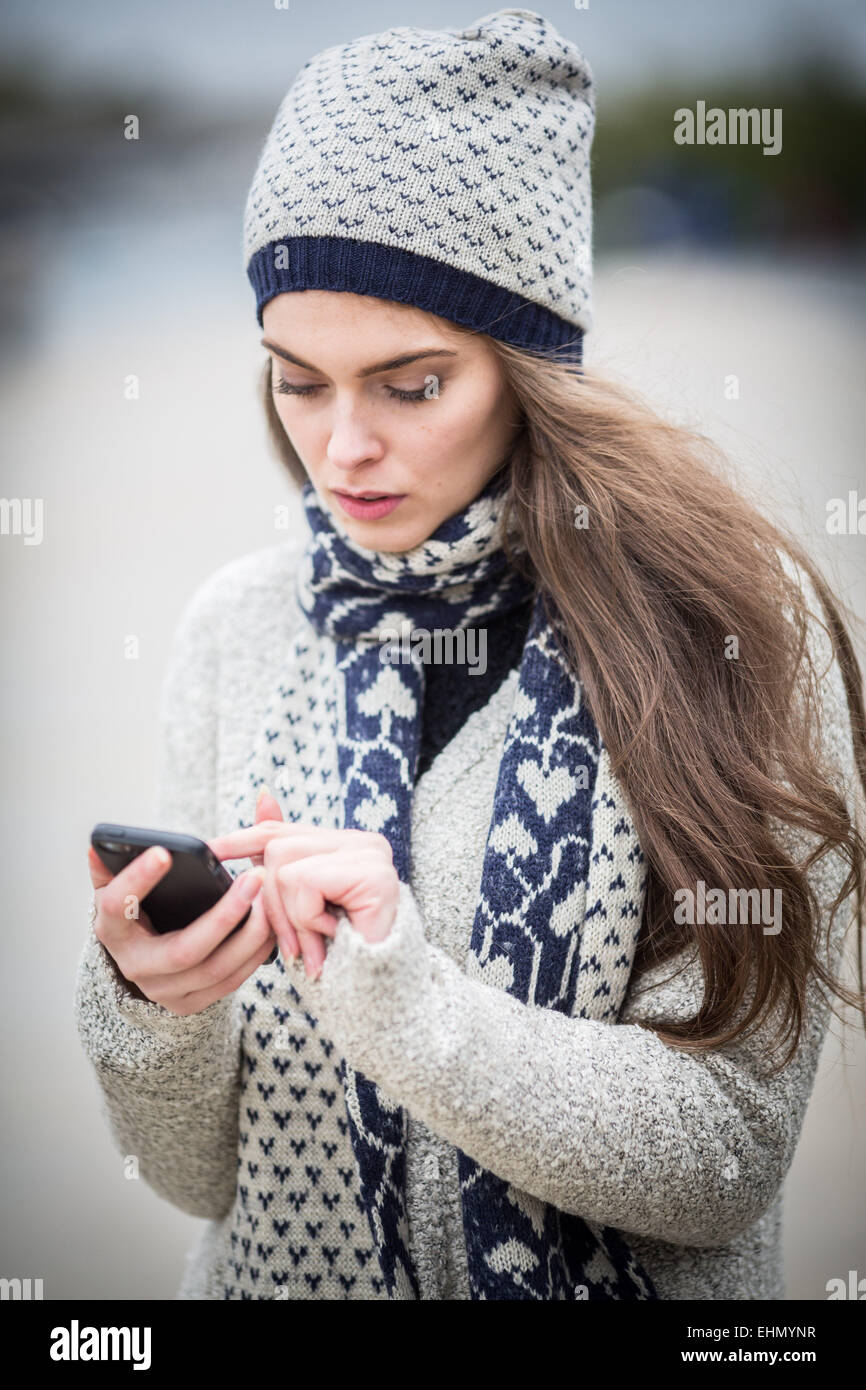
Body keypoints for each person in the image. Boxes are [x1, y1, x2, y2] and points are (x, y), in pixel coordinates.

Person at [75, 8, 865, 1301]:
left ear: (527, 364)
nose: (339, 451)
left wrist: (400, 992)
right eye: (296, 378)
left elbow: (722, 1154)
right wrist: (155, 1004)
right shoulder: (239, 625)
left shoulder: (726, 624)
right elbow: (194, 1181)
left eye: (409, 381)